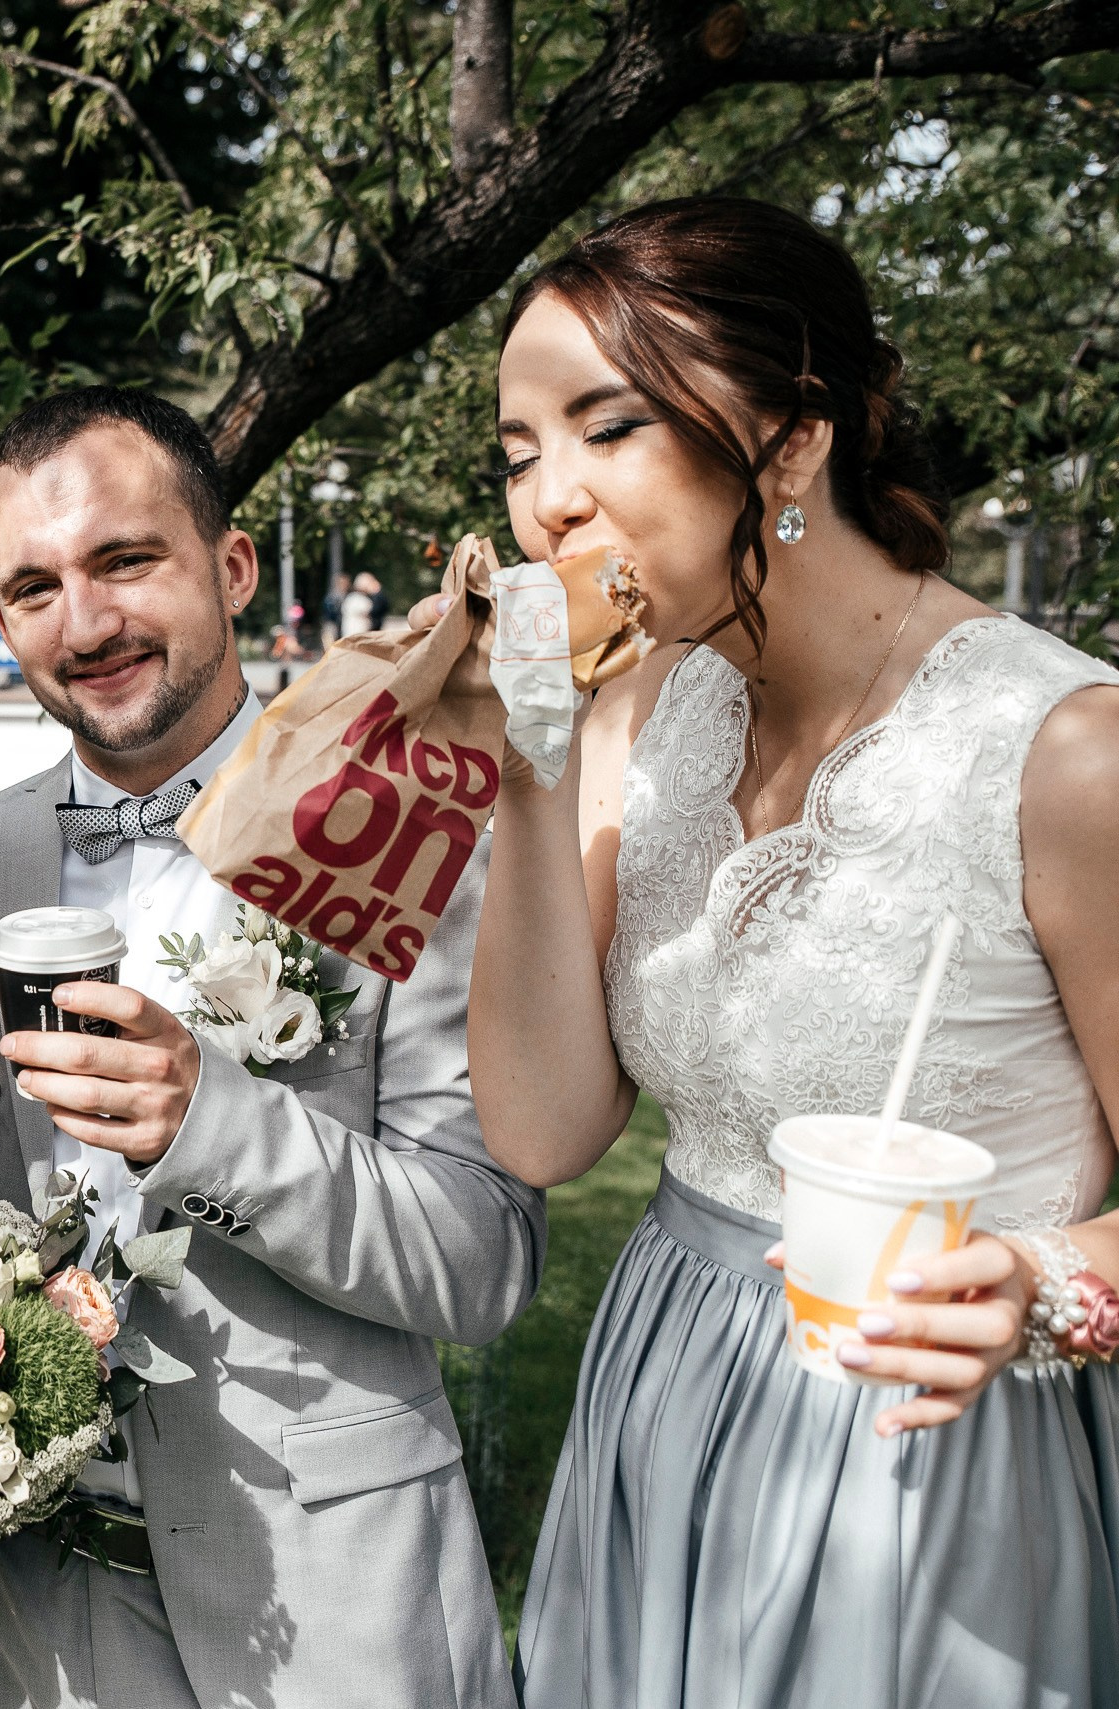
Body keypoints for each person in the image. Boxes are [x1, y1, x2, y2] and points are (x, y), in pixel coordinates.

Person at [469, 197, 1119, 1707]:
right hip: (662, 1393)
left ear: (794, 440)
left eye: (607, 427)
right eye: (517, 451)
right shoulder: (644, 708)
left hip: (930, 1448)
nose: (547, 503)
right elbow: (544, 1131)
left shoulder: (1064, 750)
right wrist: (529, 767)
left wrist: (1039, 1287)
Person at [0, 387, 541, 1708]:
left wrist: (215, 1126)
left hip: (330, 1597)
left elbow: (484, 1261)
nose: (87, 624)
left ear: (233, 567)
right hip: (34, 1609)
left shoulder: (404, 828)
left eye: (126, 560)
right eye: (33, 588)